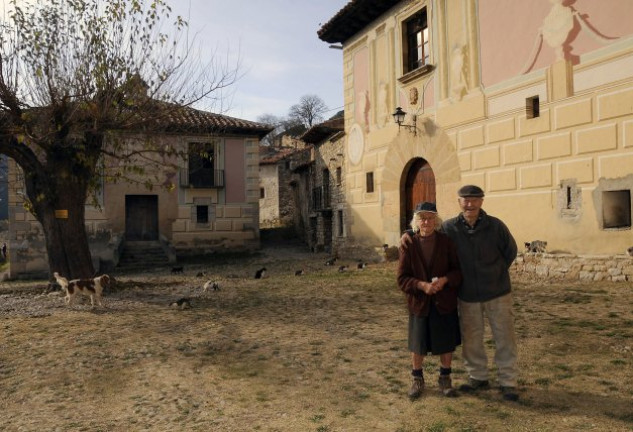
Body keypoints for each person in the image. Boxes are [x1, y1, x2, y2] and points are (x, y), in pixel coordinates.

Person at [442, 185, 520, 402]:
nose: (470, 204)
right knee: (472, 339)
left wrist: (496, 272)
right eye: (465, 200)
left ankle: (508, 382)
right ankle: (478, 377)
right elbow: (434, 244)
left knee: (504, 337)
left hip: (498, 292)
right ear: (459, 202)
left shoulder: (495, 226)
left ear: (482, 202)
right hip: (467, 293)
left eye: (475, 200)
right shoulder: (449, 228)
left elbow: (510, 250)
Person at [397, 202, 462, 399]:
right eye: (422, 218)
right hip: (420, 302)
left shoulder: (446, 242)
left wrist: (445, 280)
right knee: (418, 343)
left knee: (446, 342)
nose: (426, 221)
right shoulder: (409, 244)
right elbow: (402, 278)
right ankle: (417, 379)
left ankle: (445, 378)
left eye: (430, 217)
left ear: (436, 220)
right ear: (416, 221)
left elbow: (458, 272)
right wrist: (421, 285)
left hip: (444, 301)